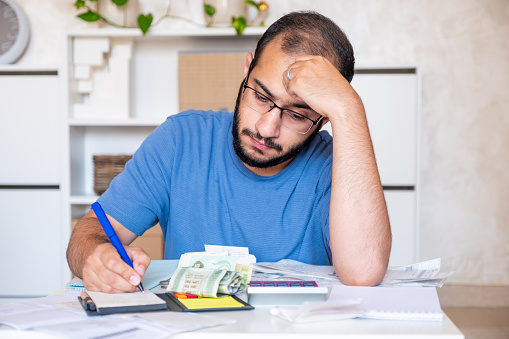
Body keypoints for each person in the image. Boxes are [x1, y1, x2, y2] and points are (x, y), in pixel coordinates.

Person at [66, 11, 391, 293]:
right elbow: (90, 231)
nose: (266, 128)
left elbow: (363, 272)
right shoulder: (180, 140)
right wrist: (97, 257)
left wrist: (349, 109)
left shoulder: (339, 165)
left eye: (297, 114)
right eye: (261, 96)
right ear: (247, 69)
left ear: (323, 119)